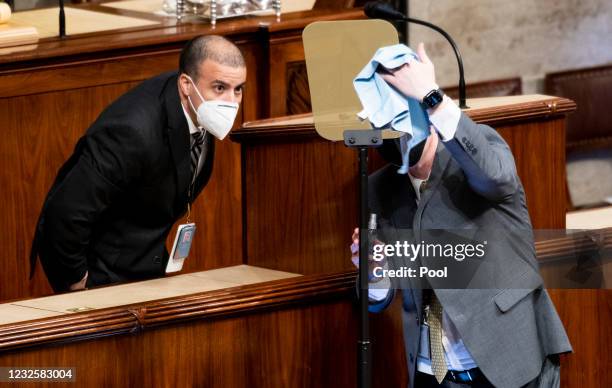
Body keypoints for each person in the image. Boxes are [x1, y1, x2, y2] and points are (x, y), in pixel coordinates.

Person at [350, 43, 571, 388]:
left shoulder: (479, 151)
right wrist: (375, 273)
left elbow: (495, 177)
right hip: (431, 372)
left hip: (508, 366)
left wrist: (431, 95)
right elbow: (380, 298)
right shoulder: (379, 188)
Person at [30, 35, 247, 292]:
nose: (230, 102)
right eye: (220, 88)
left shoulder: (199, 104)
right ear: (186, 85)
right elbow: (65, 213)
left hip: (143, 259)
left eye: (238, 89)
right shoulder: (132, 131)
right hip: (101, 273)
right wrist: (79, 284)